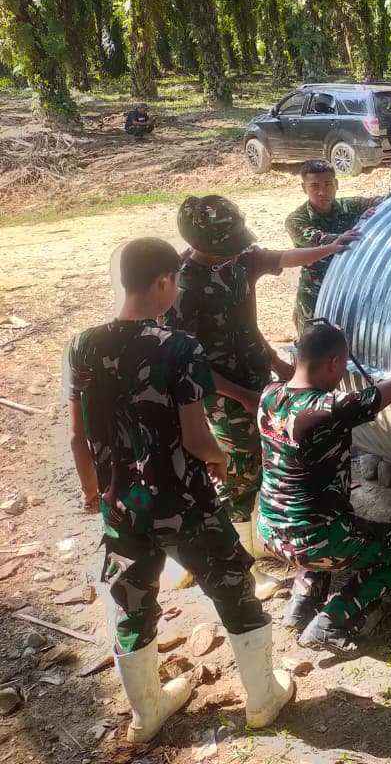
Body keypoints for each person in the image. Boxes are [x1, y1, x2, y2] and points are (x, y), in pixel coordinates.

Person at [67, 238, 293, 743]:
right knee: (232, 585)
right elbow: (195, 436)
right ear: (165, 281)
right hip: (183, 502)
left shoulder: (83, 345)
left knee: (131, 602)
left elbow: (78, 436)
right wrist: (220, 458)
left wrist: (91, 490)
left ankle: (146, 715)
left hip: (120, 504)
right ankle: (263, 697)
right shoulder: (178, 346)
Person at [164, 195, 353, 527]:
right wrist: (243, 396)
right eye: (230, 245)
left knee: (270, 452)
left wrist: (332, 248)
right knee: (240, 467)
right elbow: (190, 365)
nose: (239, 249)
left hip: (256, 375)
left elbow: (283, 258)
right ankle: (238, 538)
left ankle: (268, 529)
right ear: (206, 245)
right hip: (222, 394)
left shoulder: (240, 258)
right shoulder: (183, 288)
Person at [256, 321, 391, 654]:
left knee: (317, 520)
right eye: (343, 363)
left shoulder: (269, 395)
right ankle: (334, 622)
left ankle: (302, 603)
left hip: (270, 531)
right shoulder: (329, 409)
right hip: (313, 540)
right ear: (334, 363)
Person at [284, 160, 391, 334]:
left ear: (336, 184)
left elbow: (385, 201)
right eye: (314, 186)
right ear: (304, 188)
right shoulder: (296, 220)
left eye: (328, 184)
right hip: (315, 291)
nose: (322, 192)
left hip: (349, 286)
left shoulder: (349, 206)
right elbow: (319, 239)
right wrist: (359, 227)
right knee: (313, 340)